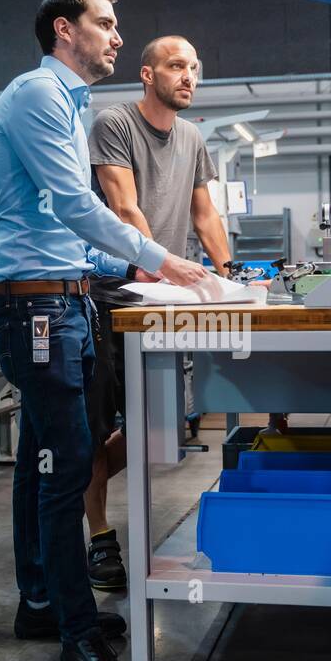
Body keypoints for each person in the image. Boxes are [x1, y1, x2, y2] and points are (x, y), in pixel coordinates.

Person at [0, 0, 209, 661]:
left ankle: (42, 605)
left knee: (40, 460)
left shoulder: (70, 106)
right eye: (104, 24)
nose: (116, 37)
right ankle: (77, 636)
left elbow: (68, 235)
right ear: (63, 30)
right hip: (37, 310)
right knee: (69, 461)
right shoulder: (36, 96)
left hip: (66, 299)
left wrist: (141, 265)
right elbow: (77, 206)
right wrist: (159, 255)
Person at [81, 35, 231, 589]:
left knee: (162, 424)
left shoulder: (192, 137)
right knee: (95, 429)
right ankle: (99, 536)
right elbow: (123, 206)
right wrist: (160, 263)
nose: (188, 76)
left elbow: (205, 214)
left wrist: (232, 273)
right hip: (109, 295)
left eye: (194, 67)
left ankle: (86, 490)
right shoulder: (114, 124)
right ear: (147, 74)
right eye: (176, 66)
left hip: (164, 302)